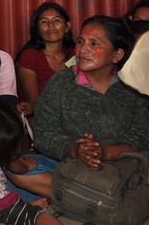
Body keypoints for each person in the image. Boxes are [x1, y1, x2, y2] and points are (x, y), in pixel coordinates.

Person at [34, 15, 149, 165]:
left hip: (124, 167)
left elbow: (143, 136)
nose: (82, 49)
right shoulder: (61, 82)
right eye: (80, 42)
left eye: (94, 44)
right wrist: (75, 150)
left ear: (117, 55)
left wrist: (105, 152)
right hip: (71, 168)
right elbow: (43, 133)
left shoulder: (134, 87)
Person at [15, 2, 75, 116]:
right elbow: (36, 104)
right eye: (44, 21)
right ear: (37, 30)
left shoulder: (76, 54)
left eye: (57, 20)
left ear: (67, 26)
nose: (51, 25)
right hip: (41, 119)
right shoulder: (29, 57)